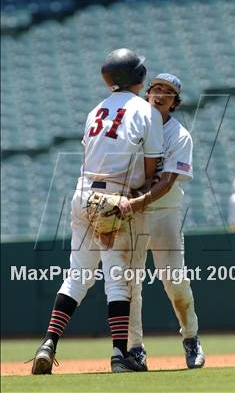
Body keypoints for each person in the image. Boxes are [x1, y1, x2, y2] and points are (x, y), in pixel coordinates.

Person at [31, 48, 163, 374]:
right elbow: (149, 172)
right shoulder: (147, 112)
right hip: (115, 198)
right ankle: (120, 355)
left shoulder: (95, 110)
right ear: (138, 77)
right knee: (118, 280)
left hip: (83, 194)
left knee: (77, 275)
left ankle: (48, 343)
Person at [125, 73, 205, 370]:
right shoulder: (132, 128)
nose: (159, 95)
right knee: (128, 282)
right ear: (146, 95)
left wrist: (134, 201)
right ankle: (134, 348)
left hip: (164, 211)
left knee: (174, 279)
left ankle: (191, 337)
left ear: (174, 103)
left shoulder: (179, 135)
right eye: (155, 89)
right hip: (131, 212)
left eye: (167, 93)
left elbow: (168, 180)